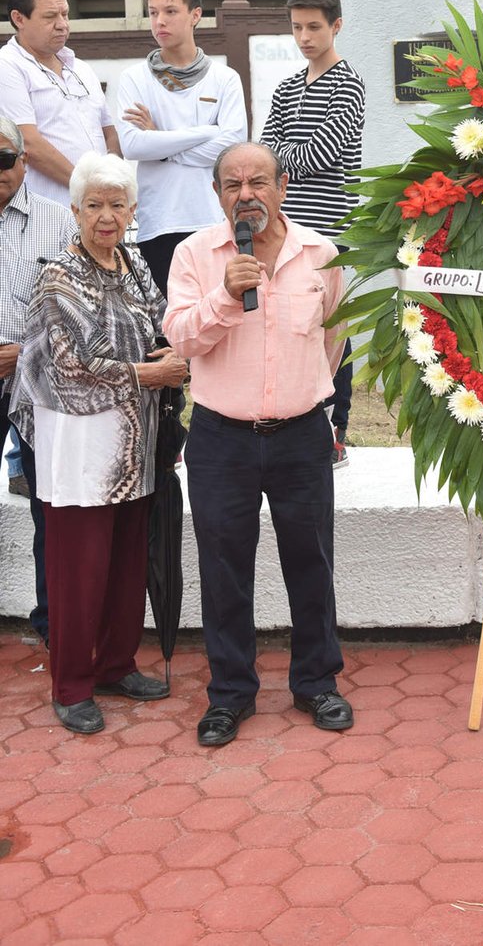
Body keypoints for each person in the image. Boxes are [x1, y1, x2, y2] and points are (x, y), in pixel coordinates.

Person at [164, 142, 351, 746]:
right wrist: (224, 295)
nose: (247, 195)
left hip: (301, 437)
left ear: (284, 186)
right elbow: (181, 338)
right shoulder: (194, 254)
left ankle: (316, 682)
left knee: (311, 562)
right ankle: (230, 695)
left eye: (259, 182)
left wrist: (315, 405)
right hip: (222, 440)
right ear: (218, 194)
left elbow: (335, 339)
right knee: (223, 570)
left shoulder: (321, 254)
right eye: (232, 185)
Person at [9, 152, 188, 734]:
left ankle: (115, 664)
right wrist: (148, 374)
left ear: (133, 211)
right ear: (75, 210)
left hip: (133, 443)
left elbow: (159, 324)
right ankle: (71, 684)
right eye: (94, 205)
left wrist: (169, 355)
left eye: (117, 204)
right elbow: (65, 367)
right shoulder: (58, 274)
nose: (106, 216)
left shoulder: (133, 265)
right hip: (79, 444)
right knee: (78, 567)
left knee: (126, 559)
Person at [260, 0, 365, 467]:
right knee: (287, 323)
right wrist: (280, 163)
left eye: (313, 27)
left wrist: (282, 162)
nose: (304, 36)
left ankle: (334, 429)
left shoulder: (349, 83)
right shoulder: (285, 88)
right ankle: (295, 421)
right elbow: (264, 155)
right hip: (283, 230)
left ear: (336, 25)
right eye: (297, 27)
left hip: (330, 226)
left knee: (332, 329)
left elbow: (325, 152)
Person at [115, 0, 248, 296]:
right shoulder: (134, 78)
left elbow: (231, 148)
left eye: (171, 11)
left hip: (212, 219)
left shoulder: (224, 78)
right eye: (153, 13)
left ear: (195, 16)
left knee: (221, 317)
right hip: (158, 223)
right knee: (177, 328)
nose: (160, 21)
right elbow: (132, 145)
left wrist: (160, 141)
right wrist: (206, 131)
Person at [0, 116, 76, 641]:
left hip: (42, 381)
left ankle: (55, 623)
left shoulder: (61, 222)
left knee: (51, 506)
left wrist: (25, 351)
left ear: (25, 162)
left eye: (5, 159)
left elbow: (83, 312)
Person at [0, 0, 120, 206]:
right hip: (46, 212)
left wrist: (113, 179)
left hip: (97, 209)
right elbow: (27, 142)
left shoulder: (82, 68)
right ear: (19, 18)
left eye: (65, 14)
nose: (62, 24)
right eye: (50, 17)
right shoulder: (7, 65)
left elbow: (109, 132)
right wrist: (88, 189)